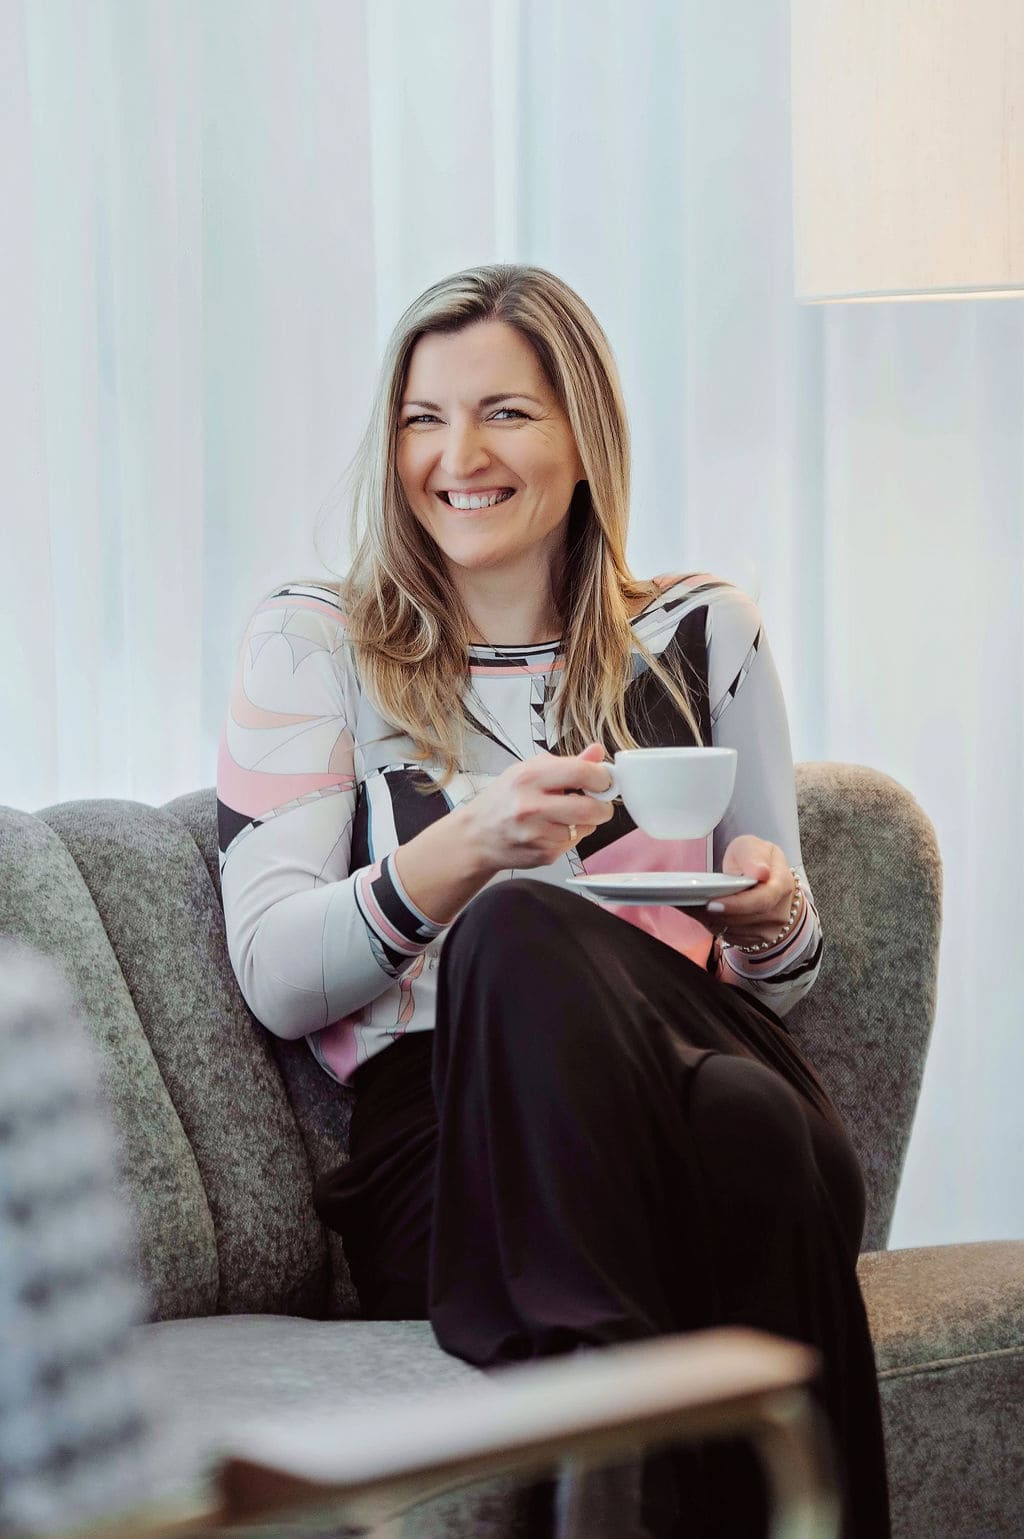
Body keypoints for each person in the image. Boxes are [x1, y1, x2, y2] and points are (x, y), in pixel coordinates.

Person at [216, 264, 890, 1538]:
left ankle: (607, 1458)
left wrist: (769, 920)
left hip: (681, 1057)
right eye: (423, 419)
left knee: (737, 1096)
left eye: (506, 414)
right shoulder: (314, 643)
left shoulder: (702, 634)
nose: (457, 456)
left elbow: (784, 971)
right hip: (451, 1142)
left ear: (584, 437)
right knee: (654, 1043)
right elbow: (275, 976)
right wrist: (468, 847)